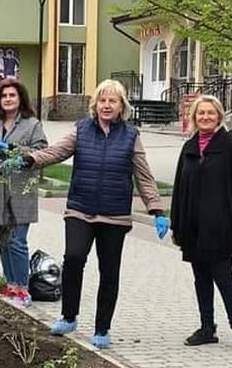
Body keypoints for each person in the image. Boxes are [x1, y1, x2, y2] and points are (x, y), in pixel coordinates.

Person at [24, 79, 167, 349]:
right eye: (102, 100)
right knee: (74, 258)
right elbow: (56, 152)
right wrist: (31, 159)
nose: (106, 105)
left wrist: (156, 208)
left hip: (114, 215)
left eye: (112, 101)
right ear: (95, 104)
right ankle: (69, 317)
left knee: (109, 271)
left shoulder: (131, 136)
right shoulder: (81, 130)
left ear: (122, 106)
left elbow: (143, 175)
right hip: (80, 209)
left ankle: (102, 328)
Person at [169, 94, 232, 354]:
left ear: (219, 116)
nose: (205, 117)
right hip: (193, 225)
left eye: (210, 113)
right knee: (201, 277)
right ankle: (207, 328)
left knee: (223, 276)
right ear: (194, 117)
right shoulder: (190, 147)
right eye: (201, 113)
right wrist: (177, 224)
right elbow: (179, 187)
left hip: (221, 224)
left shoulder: (231, 145)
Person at [0, 77, 47, 308]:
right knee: (3, 241)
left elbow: (42, 151)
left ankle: (23, 289)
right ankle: (11, 285)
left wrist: (15, 150)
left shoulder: (32, 124)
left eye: (12, 95)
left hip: (21, 189)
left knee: (17, 241)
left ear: (20, 98)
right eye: (4, 96)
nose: (8, 99)